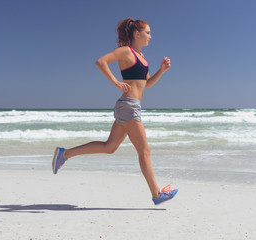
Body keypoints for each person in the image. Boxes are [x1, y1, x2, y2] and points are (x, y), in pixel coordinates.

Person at [52, 18, 178, 205]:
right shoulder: (125, 52)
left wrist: (161, 70)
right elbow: (101, 62)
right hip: (128, 106)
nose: (151, 36)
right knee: (144, 151)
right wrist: (116, 82)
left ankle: (65, 154)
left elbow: (147, 84)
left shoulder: (142, 58)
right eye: (148, 33)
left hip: (130, 106)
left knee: (109, 147)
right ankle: (156, 195)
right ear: (137, 33)